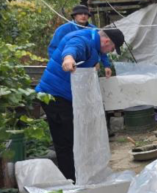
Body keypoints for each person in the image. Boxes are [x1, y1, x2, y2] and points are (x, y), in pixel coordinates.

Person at [36, 28, 124, 181]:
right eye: (111, 48)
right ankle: (71, 181)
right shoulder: (84, 40)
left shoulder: (94, 40)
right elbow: (73, 47)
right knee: (66, 141)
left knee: (77, 137)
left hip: (66, 97)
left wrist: (99, 63)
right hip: (54, 97)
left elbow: (98, 53)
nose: (110, 52)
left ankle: (79, 175)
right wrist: (69, 59)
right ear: (106, 41)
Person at [48, 5, 113, 78]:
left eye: (85, 14)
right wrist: (59, 64)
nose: (83, 16)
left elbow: (102, 48)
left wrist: (106, 65)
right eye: (80, 14)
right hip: (67, 65)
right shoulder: (63, 29)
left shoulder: (94, 30)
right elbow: (53, 48)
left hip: (88, 68)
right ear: (74, 16)